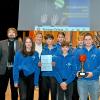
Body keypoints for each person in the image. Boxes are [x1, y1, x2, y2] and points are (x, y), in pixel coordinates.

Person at [76, 33, 100, 100]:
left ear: (92, 40)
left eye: (89, 39)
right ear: (83, 41)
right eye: (86, 39)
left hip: (94, 80)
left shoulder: (98, 52)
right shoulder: (79, 52)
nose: (88, 41)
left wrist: (93, 73)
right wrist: (77, 71)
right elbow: (75, 64)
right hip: (82, 81)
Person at [39, 34, 62, 100]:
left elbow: (61, 62)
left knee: (53, 94)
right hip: (44, 75)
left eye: (50, 39)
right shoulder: (43, 50)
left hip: (54, 75)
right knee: (44, 94)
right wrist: (40, 64)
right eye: (47, 39)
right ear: (45, 40)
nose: (48, 40)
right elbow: (41, 61)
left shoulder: (58, 50)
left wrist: (56, 64)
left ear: (53, 40)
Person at [0, 27, 21, 100]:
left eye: (13, 32)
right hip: (3, 70)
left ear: (16, 34)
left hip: (15, 70)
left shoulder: (20, 44)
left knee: (14, 90)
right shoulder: (1, 43)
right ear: (7, 34)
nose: (11, 34)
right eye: (10, 32)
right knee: (2, 90)